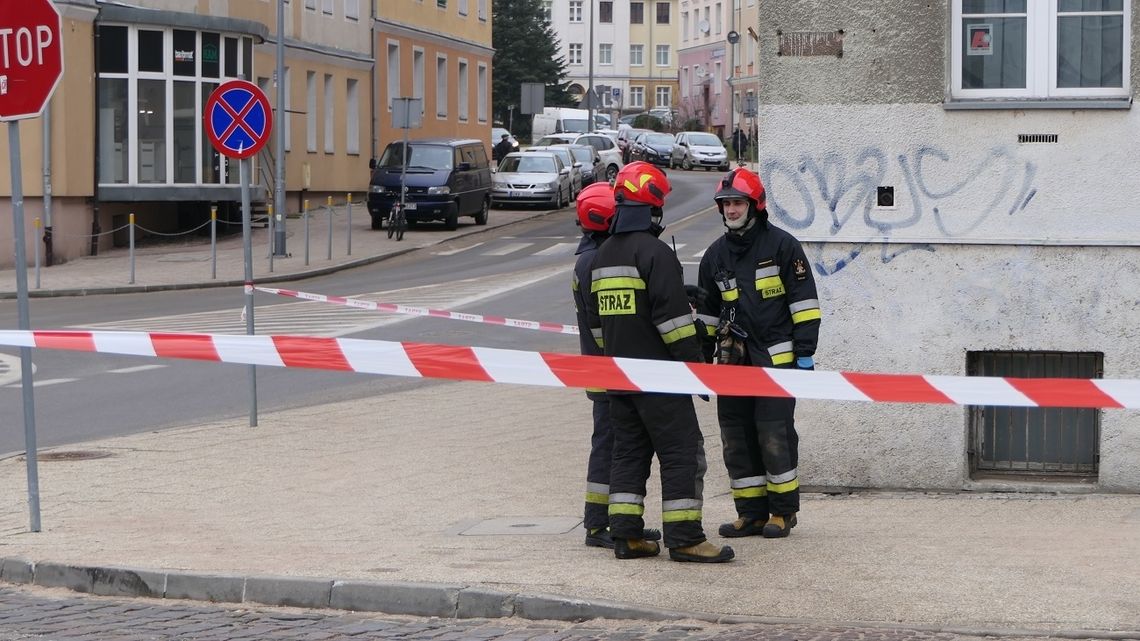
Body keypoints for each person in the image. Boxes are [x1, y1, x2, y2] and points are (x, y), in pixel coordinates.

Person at [585, 161, 734, 563]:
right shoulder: (655, 253)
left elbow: (600, 329)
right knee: (681, 453)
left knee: (628, 456)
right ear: (653, 206)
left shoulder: (603, 257)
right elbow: (673, 326)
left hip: (619, 378)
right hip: (661, 380)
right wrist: (696, 368)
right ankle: (685, 537)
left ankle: (627, 536)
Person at [695, 167, 821, 539]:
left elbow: (805, 305)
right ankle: (750, 513)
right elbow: (705, 315)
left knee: (775, 437)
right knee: (736, 438)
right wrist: (700, 363)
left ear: (755, 205)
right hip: (732, 364)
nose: (731, 210)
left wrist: (804, 354)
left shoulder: (782, 246)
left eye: (737, 203)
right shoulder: (714, 256)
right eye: (725, 204)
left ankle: (783, 512)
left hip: (776, 364)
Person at [572, 183, 662, 550]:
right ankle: (598, 524)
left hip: (602, 366)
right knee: (611, 444)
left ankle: (612, 519)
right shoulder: (596, 260)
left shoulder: (589, 256)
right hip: (609, 368)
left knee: (611, 442)